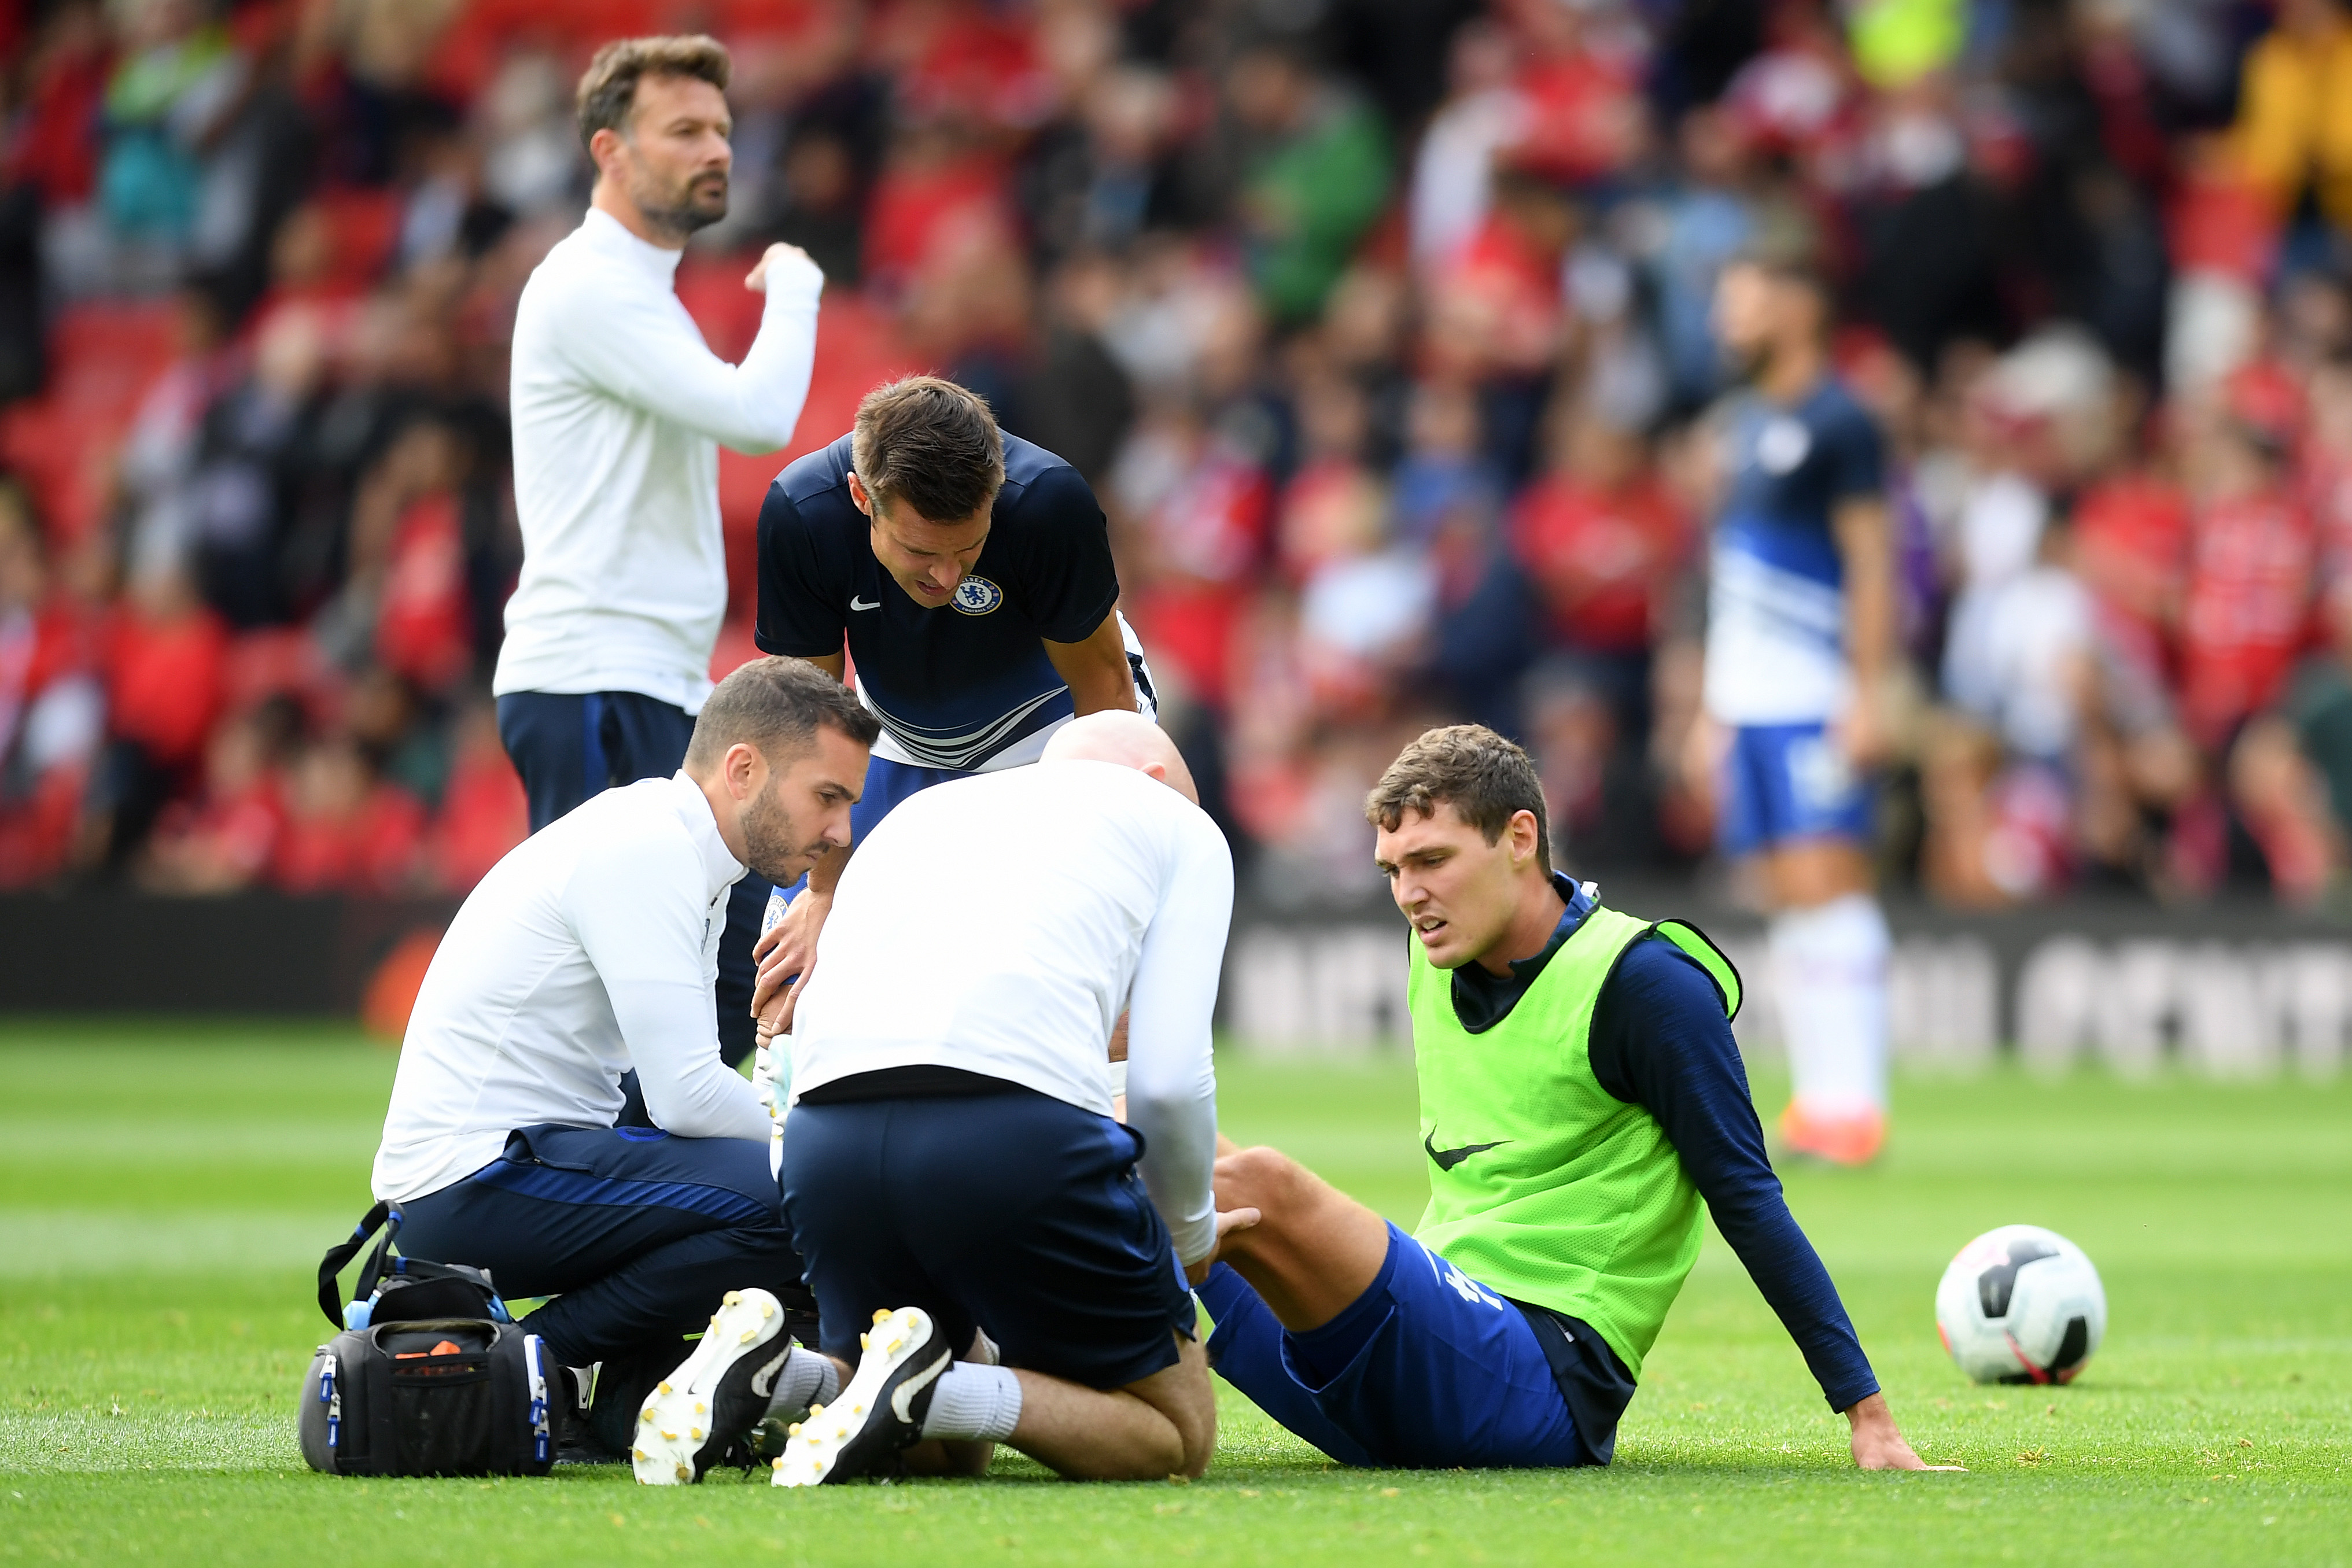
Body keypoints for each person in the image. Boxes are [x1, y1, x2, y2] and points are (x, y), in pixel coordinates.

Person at [1200, 725, 1952, 1473]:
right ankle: (1119, 1402)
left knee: (1260, 1184)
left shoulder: (1645, 983)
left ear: (1519, 837)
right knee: (1156, 1144)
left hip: (1536, 1384)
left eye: (1431, 860)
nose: (1409, 894)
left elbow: (1747, 1198)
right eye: (1392, 869)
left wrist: (1867, 1413)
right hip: (1411, 1378)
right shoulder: (1433, 950)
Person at [630, 712, 1242, 1487]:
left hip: (828, 1141)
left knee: (945, 1453)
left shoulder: (914, 814)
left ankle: (786, 1376)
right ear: (1159, 782)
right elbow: (1166, 1080)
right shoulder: (1176, 824)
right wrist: (1186, 1236)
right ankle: (933, 1383)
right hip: (1008, 1136)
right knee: (1175, 1435)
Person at [373, 658, 877, 1460]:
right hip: (471, 1181)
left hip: (510, 1165)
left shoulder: (681, 846)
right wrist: (827, 1140)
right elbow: (683, 1097)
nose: (840, 831)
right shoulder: (649, 847)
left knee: (790, 1188)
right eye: (828, 796)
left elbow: (673, 1096)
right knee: (806, 1196)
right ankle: (535, 1362)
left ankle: (614, 1392)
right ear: (742, 768)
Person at [492, 35, 825, 1069]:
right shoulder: (590, 287)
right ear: (611, 150)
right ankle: (552, 1212)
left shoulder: (634, 291)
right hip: (594, 673)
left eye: (722, 129)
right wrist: (800, 287)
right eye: (683, 129)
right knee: (616, 1007)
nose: (714, 148)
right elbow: (759, 415)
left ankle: (666, 1205)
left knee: (703, 976)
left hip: (643, 677)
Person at [749, 374, 1157, 1034]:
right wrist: (825, 890)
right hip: (892, 737)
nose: (944, 575)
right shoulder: (804, 512)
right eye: (918, 551)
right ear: (861, 496)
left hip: (1051, 739)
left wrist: (1093, 886)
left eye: (967, 548)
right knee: (793, 984)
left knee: (1092, 1013)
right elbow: (809, 725)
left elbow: (1106, 700)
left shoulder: (1048, 503)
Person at [1686, 247, 1898, 1165]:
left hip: (1815, 689)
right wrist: (1710, 705)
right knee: (1783, 890)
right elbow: (1730, 579)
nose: (1726, 320)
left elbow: (1871, 561)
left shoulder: (1841, 420)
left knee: (1828, 881)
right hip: (1751, 698)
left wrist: (1868, 686)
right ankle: (1819, 1102)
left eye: (1744, 299)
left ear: (1799, 307)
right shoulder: (1739, 424)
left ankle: (1857, 1103)